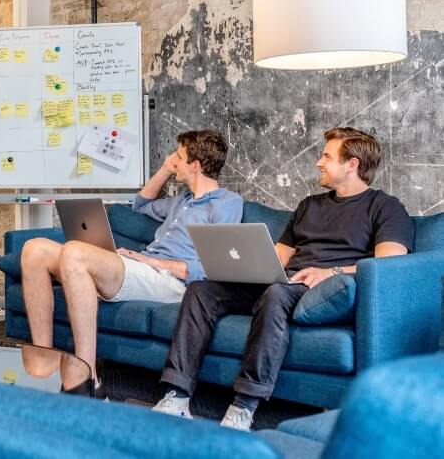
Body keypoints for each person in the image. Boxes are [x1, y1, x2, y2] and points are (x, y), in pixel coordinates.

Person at [153, 127, 415, 430]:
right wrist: (243, 268)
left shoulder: (385, 206)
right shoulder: (310, 205)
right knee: (201, 290)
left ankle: (244, 405)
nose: (318, 162)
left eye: (327, 156)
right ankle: (177, 395)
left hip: (325, 288)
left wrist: (331, 272)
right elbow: (277, 257)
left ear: (352, 164)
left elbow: (389, 263)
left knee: (276, 293)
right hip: (285, 282)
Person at [21, 130, 243, 398]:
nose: (172, 159)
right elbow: (140, 204)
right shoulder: (181, 202)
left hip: (172, 282)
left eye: (179, 156)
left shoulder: (227, 203)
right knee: (34, 250)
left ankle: (88, 377)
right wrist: (164, 169)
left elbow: (212, 267)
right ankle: (44, 355)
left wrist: (153, 261)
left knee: (75, 253)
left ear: (195, 166)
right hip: (142, 269)